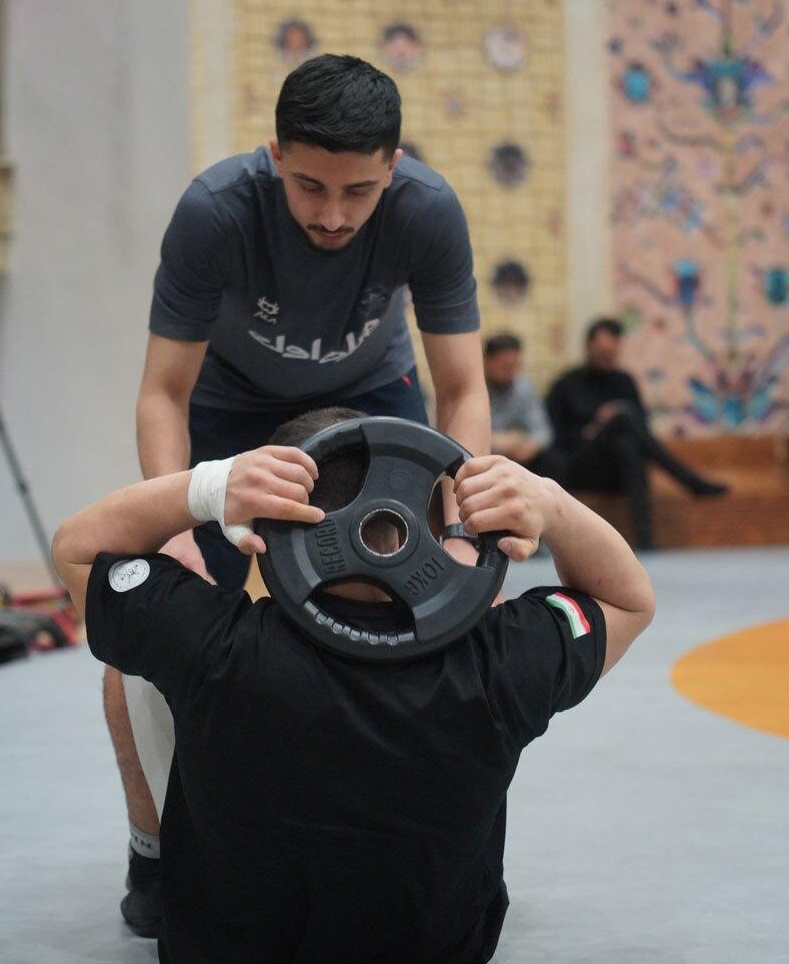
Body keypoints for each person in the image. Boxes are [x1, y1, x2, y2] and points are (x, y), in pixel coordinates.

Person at [52, 408, 655, 963]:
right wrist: (550, 503)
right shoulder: (498, 659)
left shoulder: (214, 645)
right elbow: (627, 600)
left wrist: (208, 487)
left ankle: (149, 857)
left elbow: (76, 549)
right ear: (427, 527)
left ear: (266, 531)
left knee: (135, 667)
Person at [111, 53, 490, 935]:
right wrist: (174, 528)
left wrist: (465, 529)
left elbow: (463, 388)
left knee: (419, 626)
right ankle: (151, 847)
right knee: (143, 631)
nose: (332, 215)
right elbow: (162, 393)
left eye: (359, 191)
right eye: (310, 186)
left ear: (394, 167)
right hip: (227, 411)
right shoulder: (215, 212)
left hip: (373, 401)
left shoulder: (428, 211)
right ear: (274, 154)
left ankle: (398, 846)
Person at [545, 319, 728, 551]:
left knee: (627, 444)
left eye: (612, 354)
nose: (607, 358)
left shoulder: (624, 381)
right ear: (588, 346)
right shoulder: (565, 385)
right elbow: (555, 439)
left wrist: (614, 418)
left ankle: (645, 540)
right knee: (624, 417)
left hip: (618, 471)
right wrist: (595, 428)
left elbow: (641, 431)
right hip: (581, 468)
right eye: (602, 352)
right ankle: (691, 483)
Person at [483, 333, 561, 477]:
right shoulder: (473, 389)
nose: (510, 371)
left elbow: (543, 432)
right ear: (486, 361)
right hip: (483, 453)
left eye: (515, 365)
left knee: (553, 461)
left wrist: (530, 446)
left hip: (518, 455)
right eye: (504, 365)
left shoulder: (523, 387)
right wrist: (495, 441)